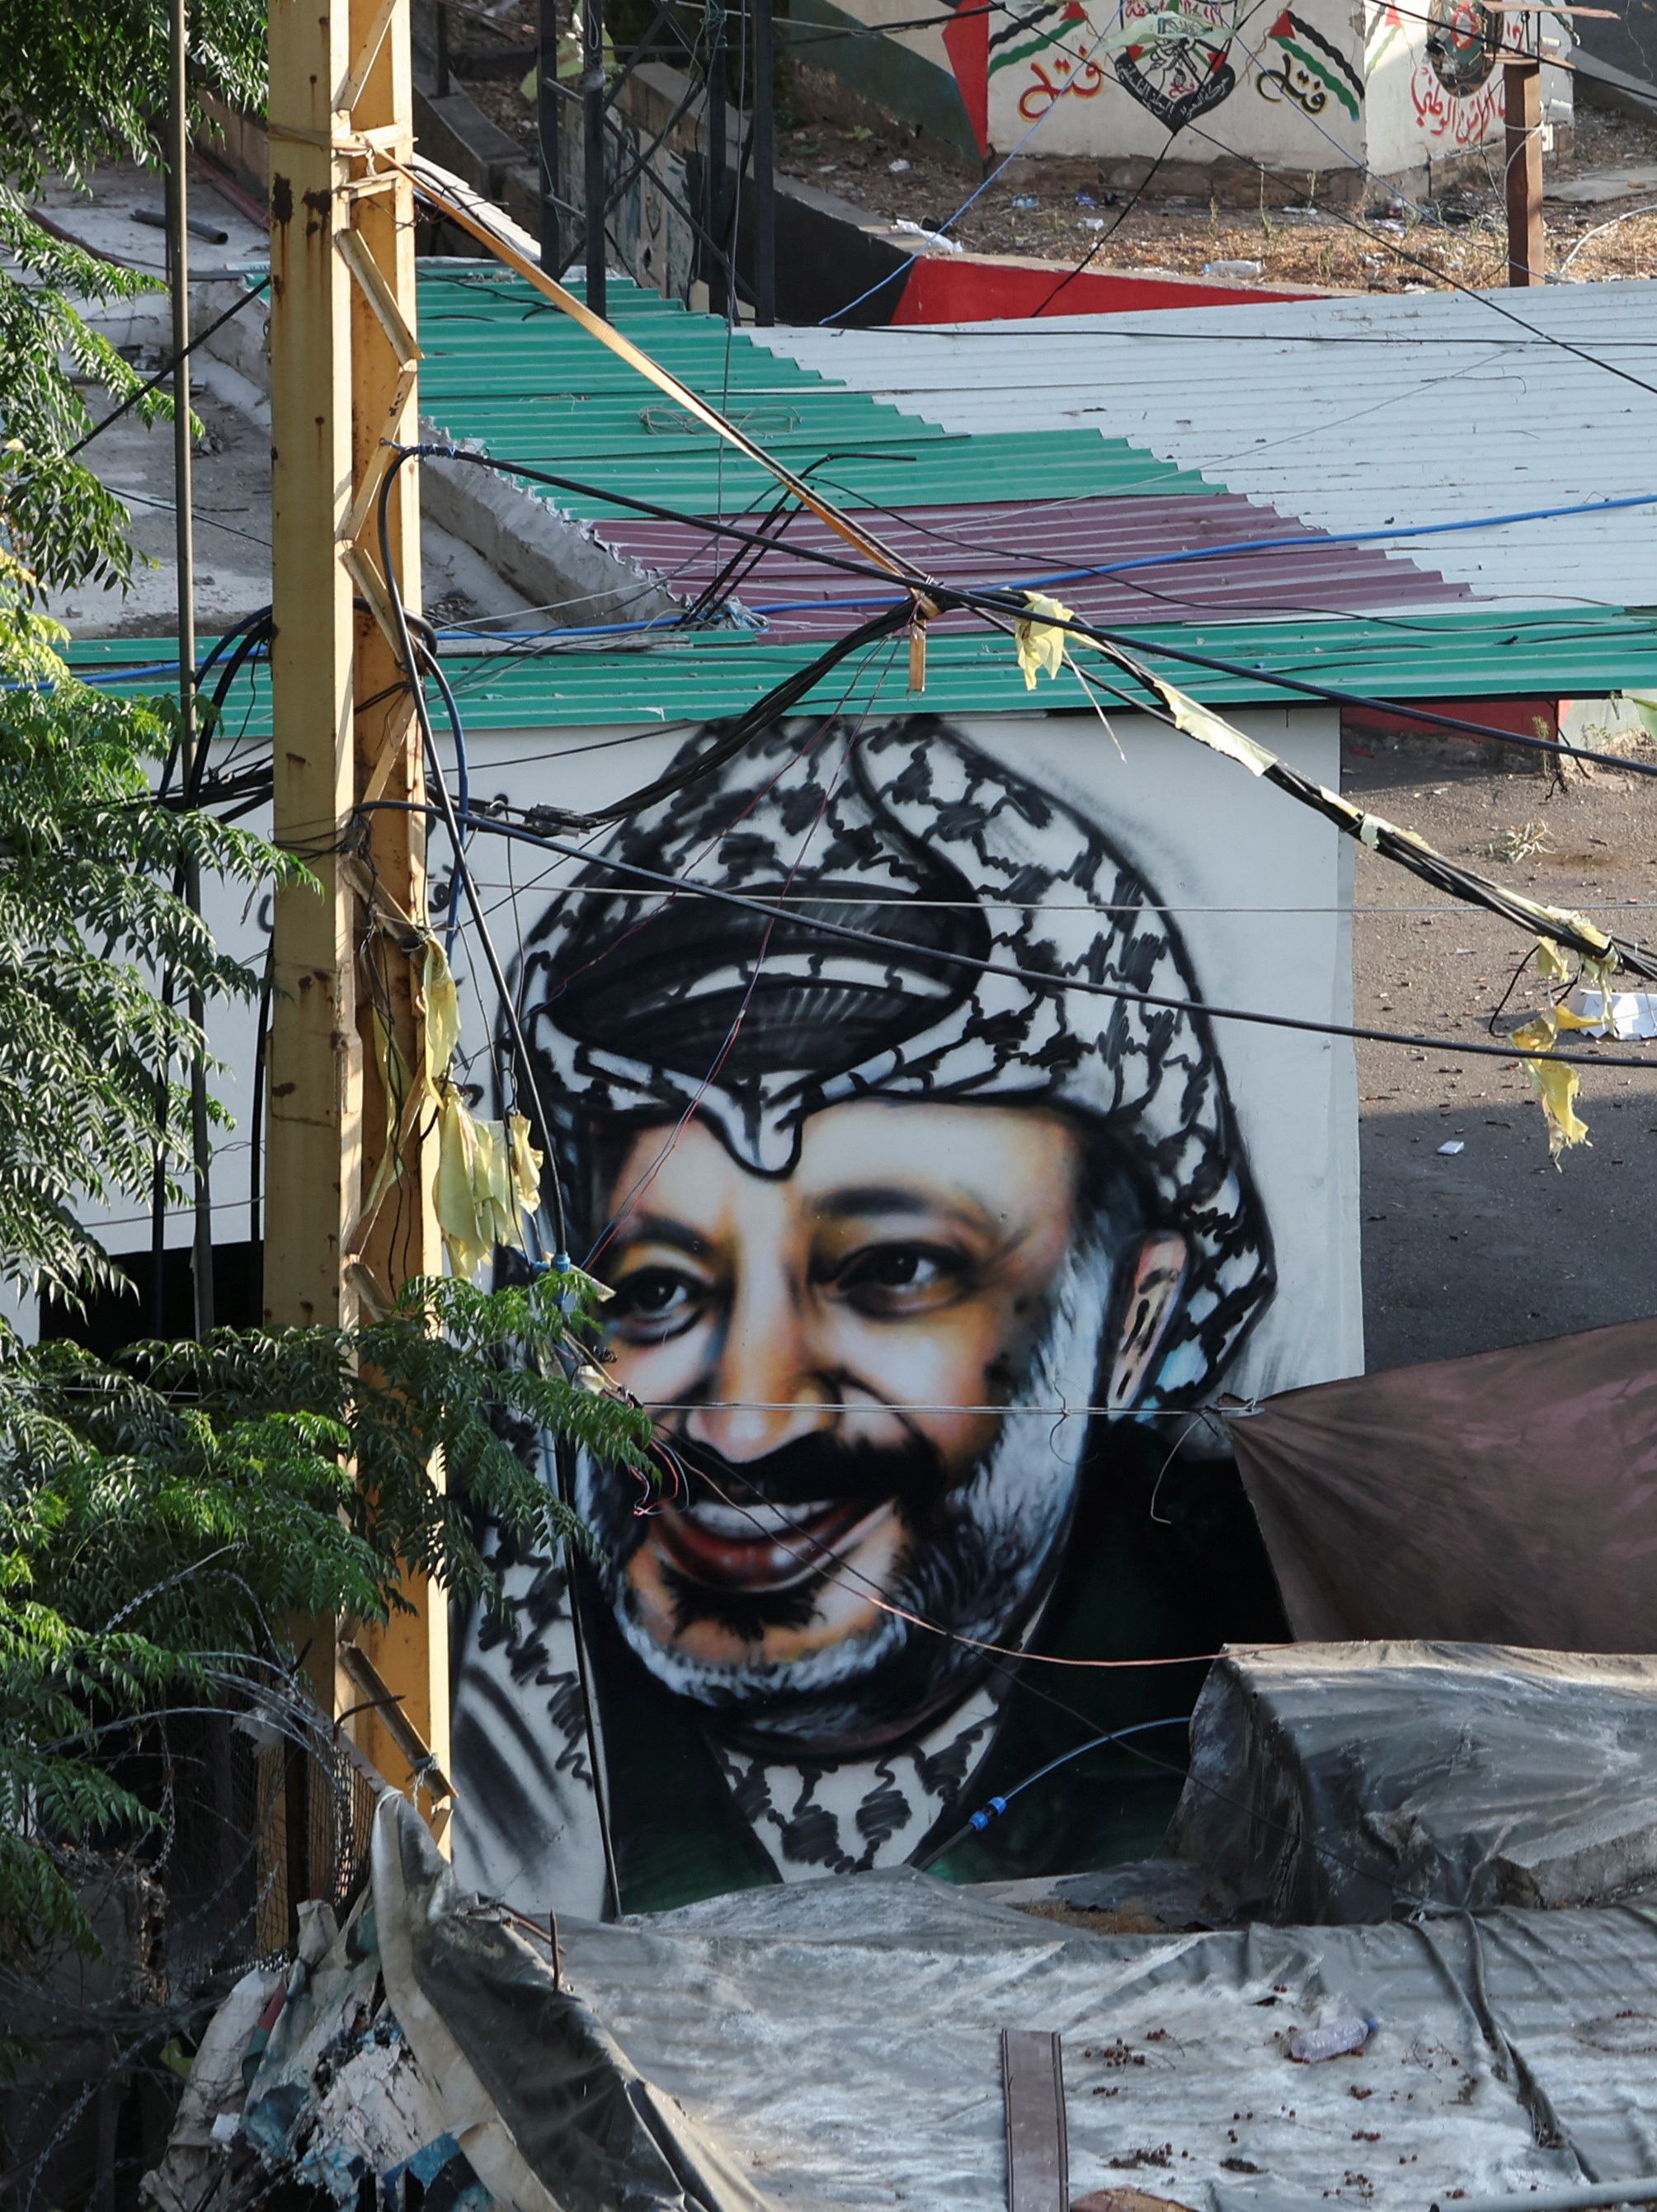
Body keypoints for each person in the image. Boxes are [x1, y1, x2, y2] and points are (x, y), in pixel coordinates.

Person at [453, 718, 1286, 1916]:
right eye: (650, 1289)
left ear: (1133, 1320)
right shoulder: (463, 1728)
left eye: (891, 1270)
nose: (745, 1423)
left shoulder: (1248, 1715)